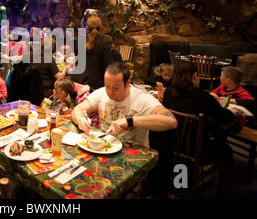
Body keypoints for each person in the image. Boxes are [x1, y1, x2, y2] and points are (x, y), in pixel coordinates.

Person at [162, 61, 239, 198]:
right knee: (226, 150)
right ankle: (224, 192)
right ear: (195, 76)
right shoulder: (204, 98)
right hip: (195, 151)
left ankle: (182, 182)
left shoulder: (168, 92)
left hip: (171, 145)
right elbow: (226, 118)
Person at [71, 62, 177, 147]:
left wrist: (129, 121)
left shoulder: (141, 98)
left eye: (116, 88)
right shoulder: (101, 93)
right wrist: (81, 120)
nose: (110, 92)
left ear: (127, 83)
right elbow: (77, 110)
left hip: (134, 154)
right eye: (107, 86)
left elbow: (171, 122)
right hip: (104, 148)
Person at [71, 15, 114, 91]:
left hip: (77, 81)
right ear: (101, 28)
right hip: (96, 85)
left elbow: (77, 61)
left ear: (87, 27)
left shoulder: (79, 41)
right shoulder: (105, 43)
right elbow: (109, 65)